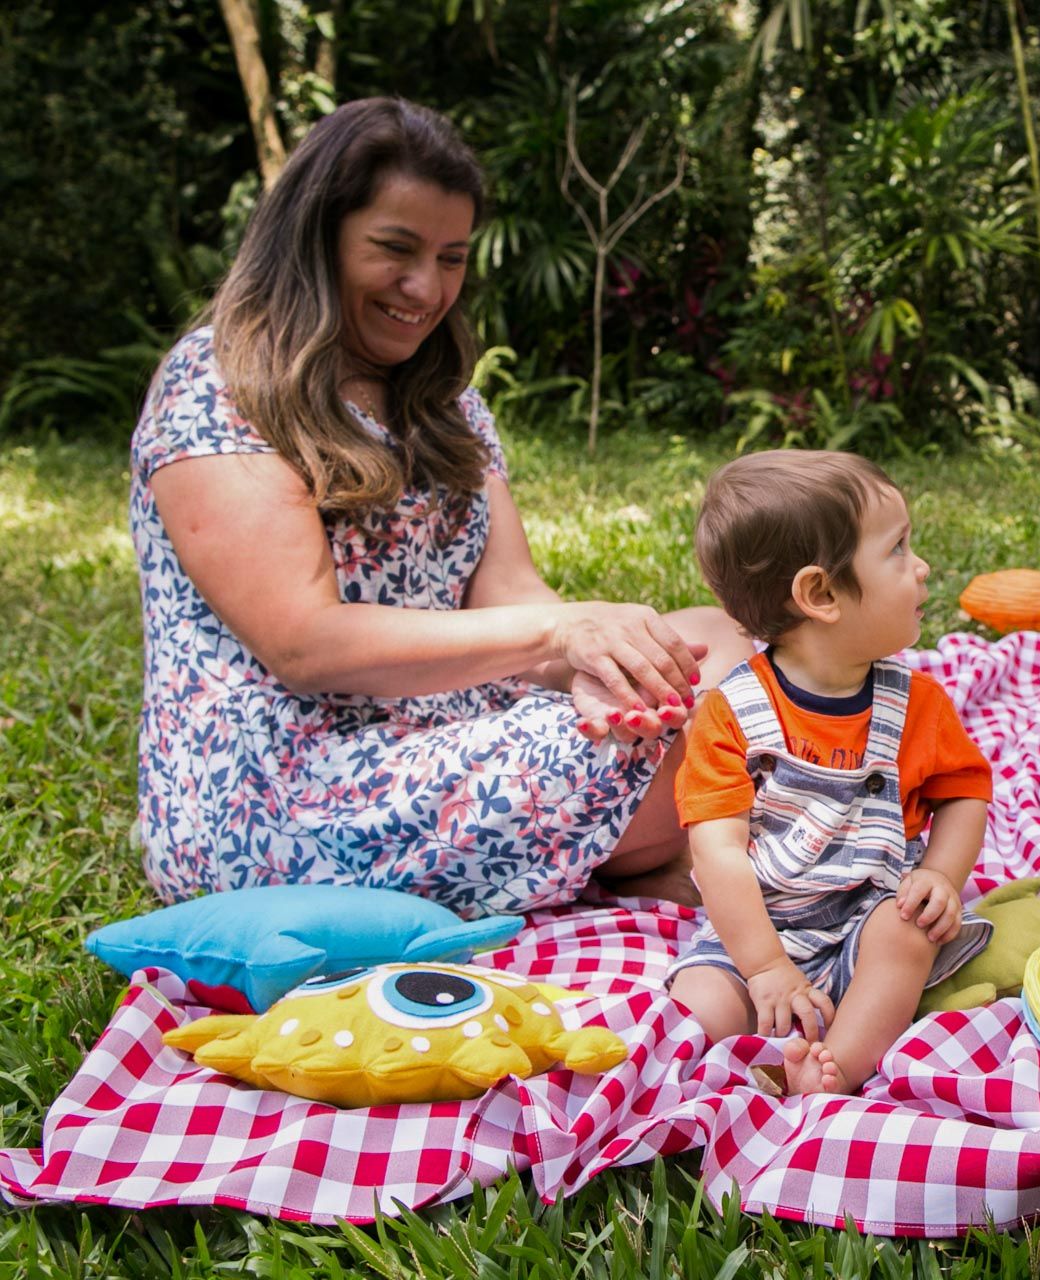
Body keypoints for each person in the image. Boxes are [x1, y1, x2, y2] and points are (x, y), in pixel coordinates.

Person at [131, 97, 750, 920]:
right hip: (290, 792)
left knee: (724, 648)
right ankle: (660, 856)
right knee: (715, 736)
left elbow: (513, 596)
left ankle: (639, 854)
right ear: (317, 237)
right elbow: (305, 643)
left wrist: (607, 671)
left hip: (452, 727)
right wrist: (561, 635)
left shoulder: (447, 403)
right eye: (395, 249)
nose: (426, 288)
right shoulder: (220, 384)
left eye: (451, 258)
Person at [664, 451, 993, 1095]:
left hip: (868, 917)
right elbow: (718, 852)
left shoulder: (916, 704)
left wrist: (940, 875)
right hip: (757, 929)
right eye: (897, 549)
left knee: (907, 935)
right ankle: (749, 1064)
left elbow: (964, 794)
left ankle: (834, 1067)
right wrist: (765, 967)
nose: (921, 566)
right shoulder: (732, 714)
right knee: (699, 1005)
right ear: (820, 595)